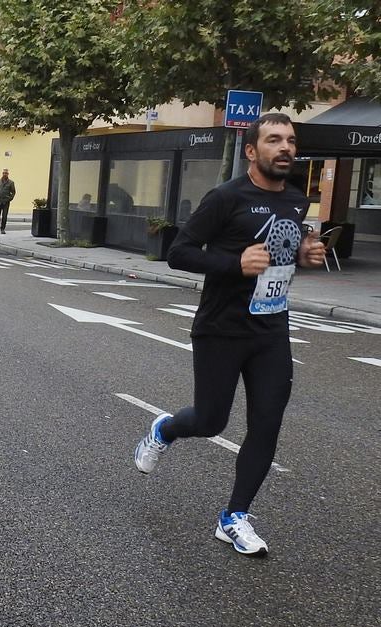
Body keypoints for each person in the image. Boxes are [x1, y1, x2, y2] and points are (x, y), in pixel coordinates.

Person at [133, 113, 327, 556]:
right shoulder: (225, 197)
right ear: (252, 151)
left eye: (291, 141)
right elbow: (178, 253)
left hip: (271, 329)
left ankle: (234, 516)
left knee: (267, 424)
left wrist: (306, 252)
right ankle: (165, 429)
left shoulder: (297, 201)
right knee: (210, 420)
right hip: (221, 329)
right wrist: (233, 264)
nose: (285, 148)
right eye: (274, 140)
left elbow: (286, 249)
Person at [0, 168, 15, 234]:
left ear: (8, 174)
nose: (5, 174)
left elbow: (13, 192)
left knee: (4, 216)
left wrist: (10, 198)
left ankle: (2, 228)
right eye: (4, 173)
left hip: (6, 201)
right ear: (2, 173)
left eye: (6, 173)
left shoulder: (11, 182)